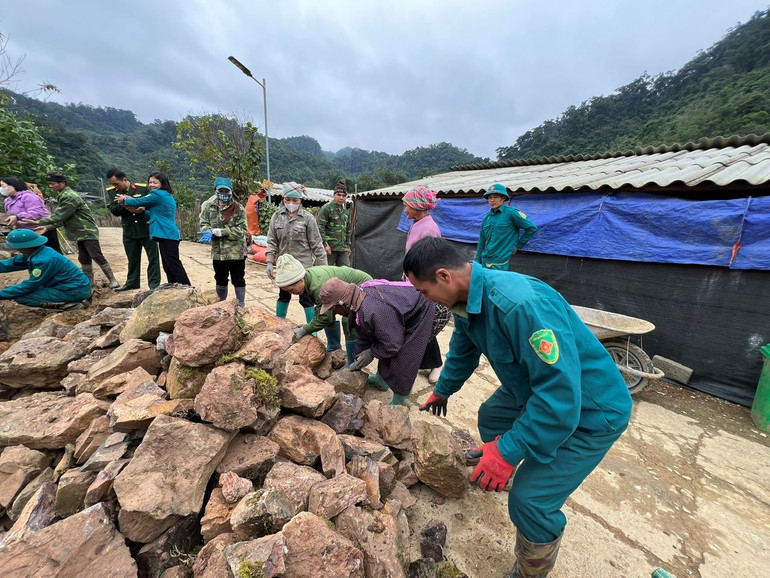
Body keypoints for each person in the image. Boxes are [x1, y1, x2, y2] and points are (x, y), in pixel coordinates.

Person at [404, 237, 632, 578]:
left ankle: (530, 571)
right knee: (492, 416)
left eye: (423, 291)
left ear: (444, 276)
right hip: (536, 393)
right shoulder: (466, 302)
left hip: (590, 411)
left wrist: (508, 450)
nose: (425, 300)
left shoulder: (519, 306)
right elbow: (464, 351)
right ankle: (506, 469)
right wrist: (443, 390)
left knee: (530, 502)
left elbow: (560, 399)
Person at [318, 277, 450, 407]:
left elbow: (392, 345)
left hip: (432, 305)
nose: (334, 313)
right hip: (412, 306)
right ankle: (381, 380)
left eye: (333, 309)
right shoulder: (358, 297)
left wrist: (371, 352)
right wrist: (358, 357)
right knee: (383, 338)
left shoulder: (373, 309)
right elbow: (366, 334)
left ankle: (402, 401)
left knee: (405, 353)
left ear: (342, 302)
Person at [20, 171, 120, 289]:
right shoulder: (63, 195)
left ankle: (113, 280)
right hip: (79, 232)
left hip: (86, 231)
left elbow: (59, 216)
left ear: (62, 183)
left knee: (96, 255)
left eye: (52, 183)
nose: (50, 186)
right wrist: (47, 227)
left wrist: (37, 222)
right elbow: (63, 219)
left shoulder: (69, 196)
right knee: (83, 258)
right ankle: (89, 283)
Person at [273, 254, 371, 365]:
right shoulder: (307, 280)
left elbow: (324, 318)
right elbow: (323, 312)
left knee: (349, 321)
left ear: (300, 280)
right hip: (344, 289)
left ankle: (352, 363)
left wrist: (304, 330)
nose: (291, 293)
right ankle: (334, 347)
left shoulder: (318, 285)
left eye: (291, 289)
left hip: (363, 285)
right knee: (327, 311)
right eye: (287, 291)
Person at [115, 172, 190, 286]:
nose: (151, 185)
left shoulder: (157, 195)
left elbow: (138, 201)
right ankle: (175, 287)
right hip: (166, 234)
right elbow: (149, 213)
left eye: (155, 182)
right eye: (150, 182)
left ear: (162, 183)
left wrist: (124, 199)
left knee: (173, 264)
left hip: (167, 233)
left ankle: (187, 287)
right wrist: (141, 210)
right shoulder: (164, 195)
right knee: (168, 265)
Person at [265, 182, 327, 322]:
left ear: (300, 201)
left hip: (303, 268)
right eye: (288, 200)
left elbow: (317, 245)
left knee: (307, 299)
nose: (291, 203)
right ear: (283, 199)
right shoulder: (276, 217)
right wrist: (269, 261)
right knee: (283, 296)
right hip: (284, 266)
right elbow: (272, 241)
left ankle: (312, 332)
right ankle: (279, 323)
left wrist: (323, 268)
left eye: (295, 200)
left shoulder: (308, 218)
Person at [402, 184, 444, 384]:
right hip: (412, 282)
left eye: (406, 206)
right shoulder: (417, 224)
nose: (405, 210)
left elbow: (431, 262)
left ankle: (437, 364)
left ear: (417, 207)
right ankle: (427, 362)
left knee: (422, 324)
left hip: (423, 286)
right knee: (417, 324)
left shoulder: (429, 228)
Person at [0, 229, 91, 310]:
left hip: (74, 290)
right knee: (12, 291)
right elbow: (11, 263)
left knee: (21, 296)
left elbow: (31, 285)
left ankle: (71, 305)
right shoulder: (35, 252)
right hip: (67, 286)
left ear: (24, 246)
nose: (16, 249)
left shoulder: (44, 260)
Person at [106, 168, 161, 291]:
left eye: (116, 183)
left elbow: (150, 205)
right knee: (132, 259)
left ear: (124, 179)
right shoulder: (112, 192)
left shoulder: (142, 188)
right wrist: (126, 204)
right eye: (112, 184)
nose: (115, 187)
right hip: (129, 231)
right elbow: (114, 211)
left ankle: (154, 285)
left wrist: (130, 200)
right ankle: (132, 283)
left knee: (153, 259)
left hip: (146, 228)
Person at [199, 177, 248, 306]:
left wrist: (223, 232)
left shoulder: (238, 208)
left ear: (231, 191)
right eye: (221, 190)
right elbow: (203, 223)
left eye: (226, 191)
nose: (224, 194)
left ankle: (241, 306)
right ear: (215, 190)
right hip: (218, 252)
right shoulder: (208, 206)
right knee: (220, 278)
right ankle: (221, 306)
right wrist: (209, 231)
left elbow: (242, 229)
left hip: (236, 252)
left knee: (238, 279)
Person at [476, 183, 538, 270]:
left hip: (499, 264)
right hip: (484, 262)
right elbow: (482, 241)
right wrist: (477, 263)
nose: (492, 200)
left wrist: (518, 246)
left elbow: (532, 228)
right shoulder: (486, 218)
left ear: (503, 198)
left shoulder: (511, 213)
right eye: (490, 198)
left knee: (499, 283)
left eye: (495, 197)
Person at [1, 176, 61, 253]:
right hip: (24, 232)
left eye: (3, 186)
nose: (1, 188)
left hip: (40, 229)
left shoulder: (29, 196)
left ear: (12, 186)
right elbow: (9, 215)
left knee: (49, 253)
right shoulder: (8, 200)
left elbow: (37, 213)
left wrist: (17, 216)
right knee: (30, 253)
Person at [316, 180, 351, 266]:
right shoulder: (327, 208)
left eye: (343, 195)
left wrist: (348, 245)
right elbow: (320, 227)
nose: (341, 198)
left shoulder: (345, 211)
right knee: (327, 272)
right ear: (334, 195)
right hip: (330, 248)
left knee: (346, 271)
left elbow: (347, 229)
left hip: (342, 249)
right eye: (338, 195)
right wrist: (325, 244)